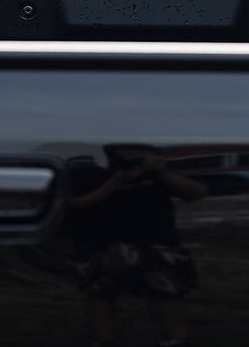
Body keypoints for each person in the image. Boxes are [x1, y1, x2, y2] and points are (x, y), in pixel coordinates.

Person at [67, 144, 207, 347]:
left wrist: (163, 173)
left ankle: (174, 339)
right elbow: (76, 203)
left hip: (157, 239)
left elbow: (197, 192)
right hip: (104, 241)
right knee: (101, 292)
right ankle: (104, 341)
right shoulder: (91, 164)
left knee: (166, 291)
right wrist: (116, 179)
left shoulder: (155, 164)